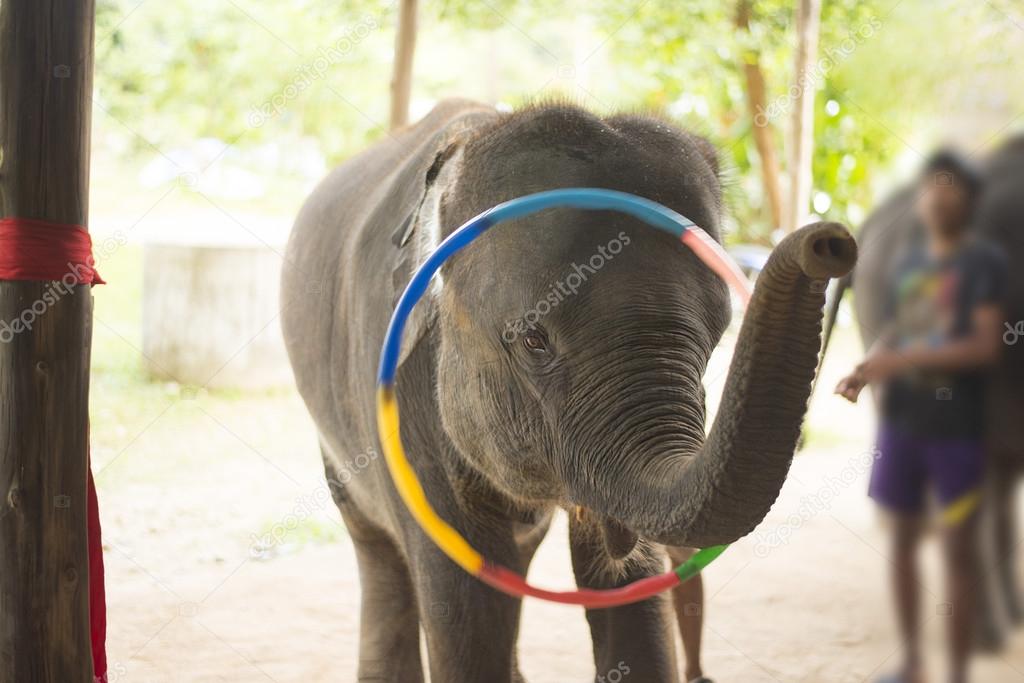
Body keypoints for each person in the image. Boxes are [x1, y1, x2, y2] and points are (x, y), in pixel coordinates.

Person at [835, 151, 1006, 683]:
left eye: (951, 188)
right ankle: (912, 664)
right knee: (904, 541)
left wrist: (899, 360)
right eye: (932, 186)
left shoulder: (982, 264)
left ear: (969, 201)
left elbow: (982, 347)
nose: (938, 196)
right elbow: (903, 329)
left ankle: (956, 672)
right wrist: (865, 370)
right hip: (903, 425)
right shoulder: (912, 262)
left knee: (958, 551)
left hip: (956, 429)